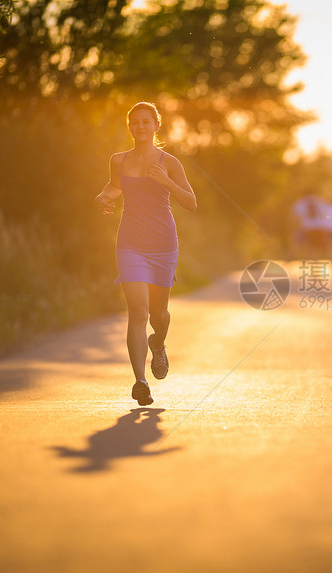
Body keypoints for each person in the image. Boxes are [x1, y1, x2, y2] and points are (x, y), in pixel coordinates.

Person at [95, 102, 197, 406]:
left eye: (146, 122)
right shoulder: (119, 160)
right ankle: (140, 382)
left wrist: (165, 180)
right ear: (130, 127)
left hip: (163, 243)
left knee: (159, 315)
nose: (140, 127)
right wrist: (102, 197)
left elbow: (191, 202)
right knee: (137, 311)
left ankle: (159, 342)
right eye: (135, 122)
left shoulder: (170, 162)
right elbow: (114, 188)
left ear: (156, 125)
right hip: (130, 243)